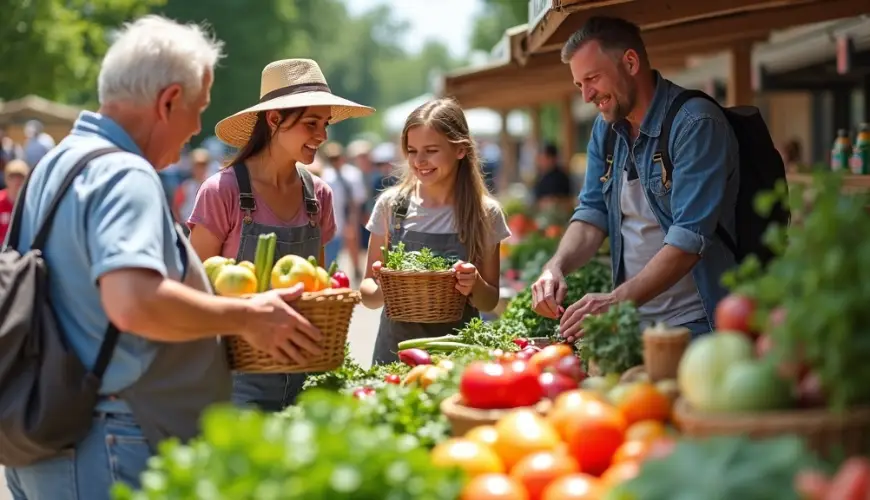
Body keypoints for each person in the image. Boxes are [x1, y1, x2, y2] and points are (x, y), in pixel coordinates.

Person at [4, 15, 322, 499]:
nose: (196, 128)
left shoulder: (59, 162)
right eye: (197, 109)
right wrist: (246, 316)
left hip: (51, 433)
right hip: (106, 443)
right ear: (168, 100)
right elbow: (133, 301)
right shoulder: (124, 174)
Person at [531, 16, 740, 341]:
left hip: (699, 327)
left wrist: (614, 301)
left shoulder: (695, 123)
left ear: (630, 62)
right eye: (579, 84)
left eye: (593, 78)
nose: (586, 95)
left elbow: (688, 240)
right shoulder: (606, 128)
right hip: (631, 325)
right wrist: (555, 266)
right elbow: (591, 214)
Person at [187, 58, 373, 412]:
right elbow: (195, 290)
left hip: (308, 373)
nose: (322, 135)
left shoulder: (318, 195)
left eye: (325, 124)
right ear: (274, 120)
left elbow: (318, 291)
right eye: (311, 124)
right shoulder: (221, 191)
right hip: (235, 380)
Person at [360, 98, 511, 365]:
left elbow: (489, 302)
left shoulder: (485, 213)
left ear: (460, 150)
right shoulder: (391, 207)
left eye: (431, 150)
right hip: (394, 356)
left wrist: (474, 283)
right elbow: (367, 293)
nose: (419, 161)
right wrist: (385, 285)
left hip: (457, 359)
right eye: (412, 150)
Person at [320, 141, 367, 279]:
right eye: (331, 158)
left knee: (354, 246)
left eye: (337, 157)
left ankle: (356, 270)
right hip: (332, 218)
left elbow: (358, 200)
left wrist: (353, 219)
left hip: (349, 217)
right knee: (331, 253)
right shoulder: (325, 176)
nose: (335, 161)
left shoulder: (352, 174)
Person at [172, 147, 211, 228]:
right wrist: (180, 223)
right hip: (186, 226)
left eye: (203, 166)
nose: (200, 169)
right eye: (197, 166)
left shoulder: (212, 186)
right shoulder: (186, 186)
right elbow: (176, 207)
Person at [533, 142, 575, 210]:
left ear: (553, 158)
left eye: (544, 158)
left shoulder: (562, 177)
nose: (541, 162)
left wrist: (555, 201)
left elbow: (570, 200)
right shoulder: (540, 177)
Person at [0, 159, 28, 242]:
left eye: (20, 177)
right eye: (12, 177)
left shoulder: (30, 204)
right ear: (5, 179)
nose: (16, 181)